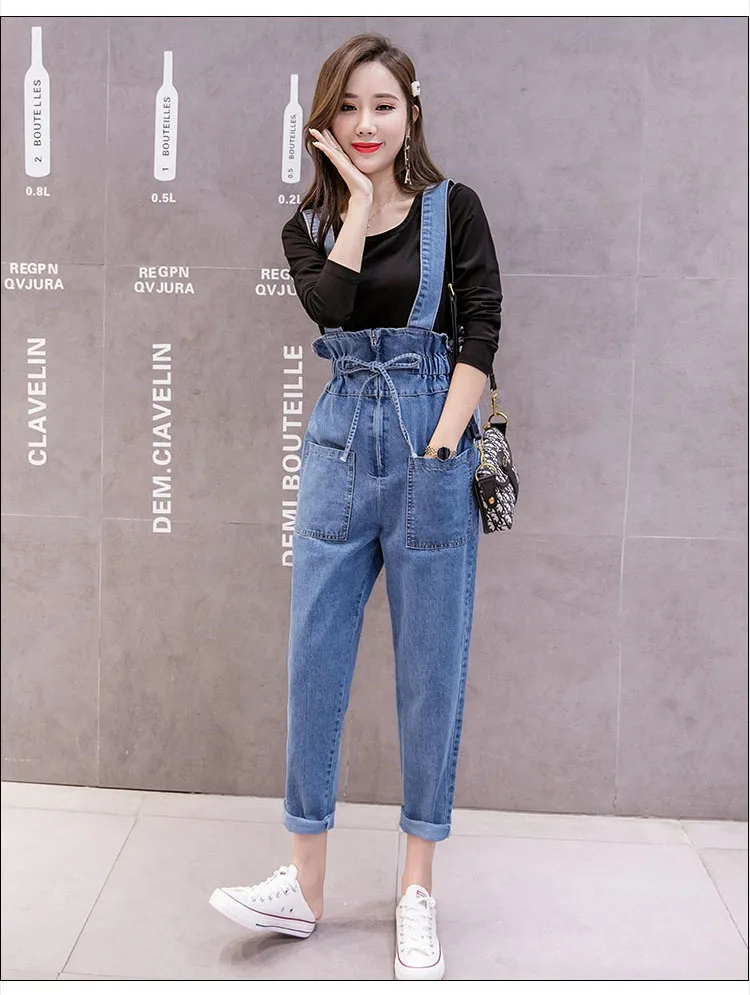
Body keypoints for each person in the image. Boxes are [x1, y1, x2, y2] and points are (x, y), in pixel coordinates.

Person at [209, 33, 503, 982]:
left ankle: (416, 889)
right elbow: (333, 310)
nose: (366, 122)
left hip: (429, 442)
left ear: (412, 112)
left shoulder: (456, 209)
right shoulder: (307, 227)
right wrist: (361, 203)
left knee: (430, 671)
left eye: (383, 105)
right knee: (315, 659)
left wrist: (444, 445)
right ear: (326, 120)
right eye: (348, 107)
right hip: (339, 446)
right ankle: (304, 884)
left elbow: (482, 330)